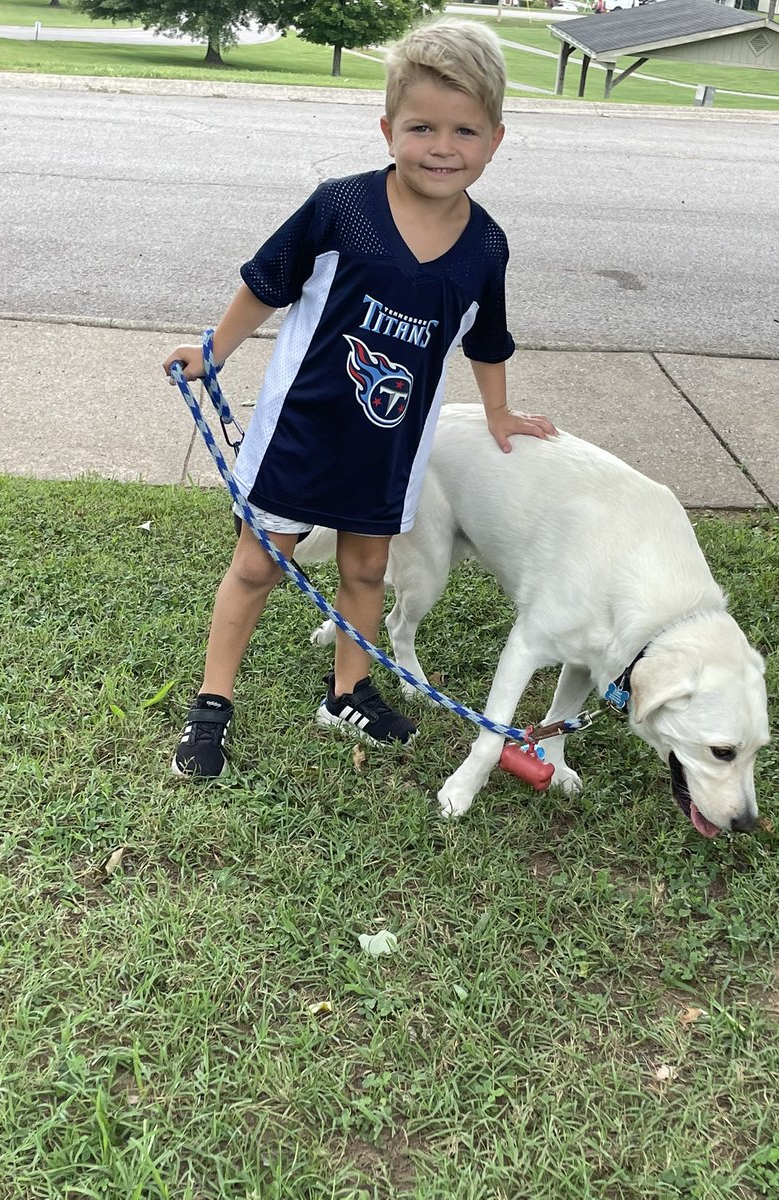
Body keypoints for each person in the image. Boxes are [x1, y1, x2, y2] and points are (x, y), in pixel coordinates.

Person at [163, 18, 556, 779]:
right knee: (257, 565)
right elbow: (264, 284)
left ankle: (347, 692)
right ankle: (211, 704)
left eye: (465, 130)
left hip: (392, 446)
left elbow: (487, 338)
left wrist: (500, 411)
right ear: (387, 129)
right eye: (422, 127)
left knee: (368, 569)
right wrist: (212, 351)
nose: (443, 147)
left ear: (496, 140)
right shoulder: (340, 208)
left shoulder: (488, 246)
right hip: (302, 433)